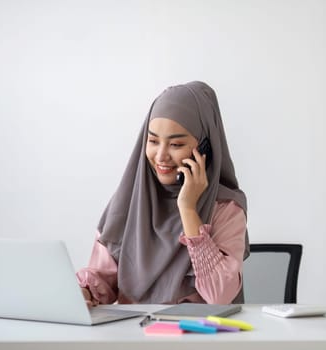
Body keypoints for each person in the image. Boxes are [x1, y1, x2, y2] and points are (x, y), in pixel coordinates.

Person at [77, 81, 249, 305]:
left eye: (176, 144)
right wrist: (85, 294)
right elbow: (102, 278)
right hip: (134, 335)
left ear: (206, 147)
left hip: (199, 336)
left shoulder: (226, 209)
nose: (160, 156)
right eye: (153, 141)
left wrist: (188, 209)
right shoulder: (129, 202)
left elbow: (220, 296)